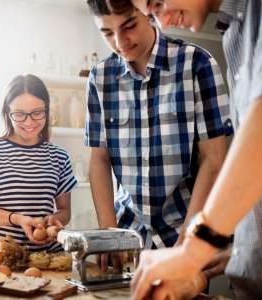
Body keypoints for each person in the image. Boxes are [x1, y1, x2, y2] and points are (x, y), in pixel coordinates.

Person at [115, 0, 262, 299]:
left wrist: (193, 250)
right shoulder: (234, 32)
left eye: (158, 3)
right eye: (151, 14)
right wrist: (236, 250)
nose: (161, 22)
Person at [84, 0, 231, 271]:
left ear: (149, 13)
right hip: (126, 238)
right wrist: (109, 231)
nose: (120, 41)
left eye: (129, 25)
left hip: (183, 233)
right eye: (107, 33)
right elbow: (99, 160)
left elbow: (214, 158)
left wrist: (190, 234)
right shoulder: (100, 78)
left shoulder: (197, 64)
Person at [0, 74, 77, 252]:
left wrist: (53, 220)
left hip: (49, 257)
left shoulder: (59, 156)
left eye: (37, 113)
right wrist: (18, 219)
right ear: (7, 113)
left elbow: (65, 211)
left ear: (47, 110)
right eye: (19, 114)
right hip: (2, 256)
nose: (29, 122)